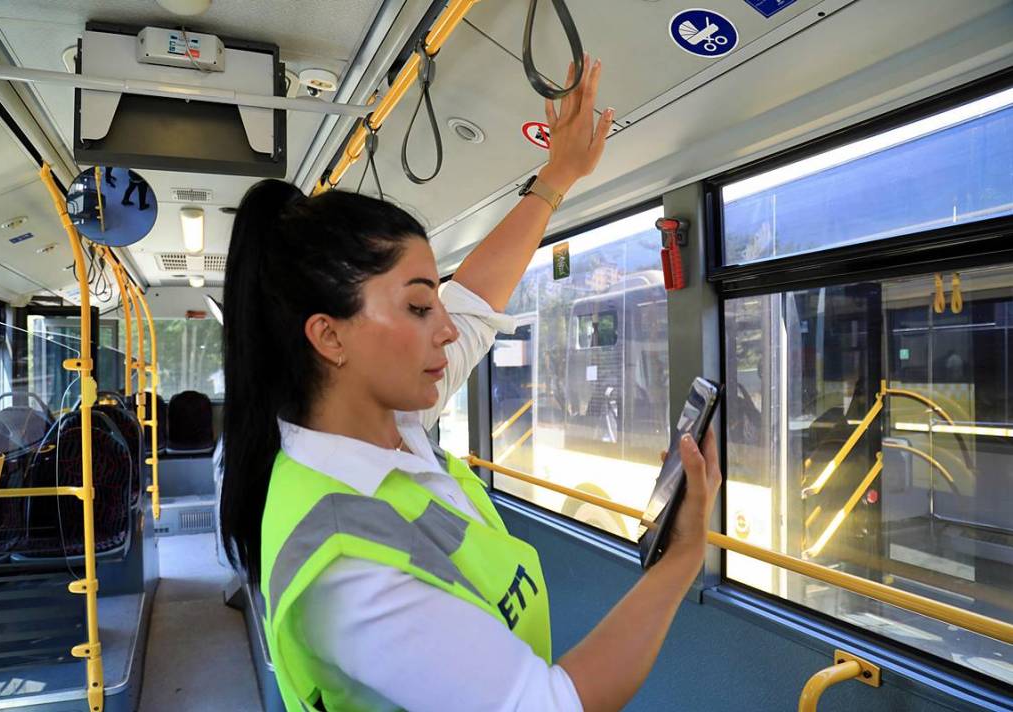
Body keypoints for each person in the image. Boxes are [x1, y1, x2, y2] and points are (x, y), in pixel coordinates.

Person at [220, 56, 722, 712]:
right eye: (419, 307)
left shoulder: (388, 421)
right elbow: (546, 704)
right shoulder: (344, 562)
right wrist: (683, 555)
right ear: (330, 336)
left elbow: (477, 301)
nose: (447, 331)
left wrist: (559, 175)